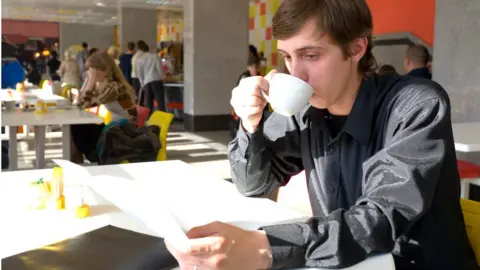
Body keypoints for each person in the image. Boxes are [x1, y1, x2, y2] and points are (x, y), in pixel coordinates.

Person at [166, 0, 479, 269]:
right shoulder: (305, 110)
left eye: (311, 56)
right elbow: (254, 184)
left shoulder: (416, 104)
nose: (296, 74)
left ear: (357, 47)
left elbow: (380, 221)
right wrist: (250, 126)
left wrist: (265, 248)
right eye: (287, 57)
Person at [71, 52, 137, 163]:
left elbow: (83, 105)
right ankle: (76, 159)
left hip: (122, 133)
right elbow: (78, 105)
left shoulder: (113, 87)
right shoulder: (103, 84)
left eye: (93, 69)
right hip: (114, 128)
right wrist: (88, 81)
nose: (90, 72)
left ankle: (85, 158)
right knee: (77, 126)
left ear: (105, 70)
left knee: (78, 127)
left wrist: (90, 82)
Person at [136, 41, 165, 114]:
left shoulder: (140, 60)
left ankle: (148, 119)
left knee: (148, 103)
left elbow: (140, 73)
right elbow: (159, 69)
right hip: (156, 81)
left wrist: (142, 83)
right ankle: (163, 118)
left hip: (147, 82)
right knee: (160, 101)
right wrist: (162, 77)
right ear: (148, 49)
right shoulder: (155, 56)